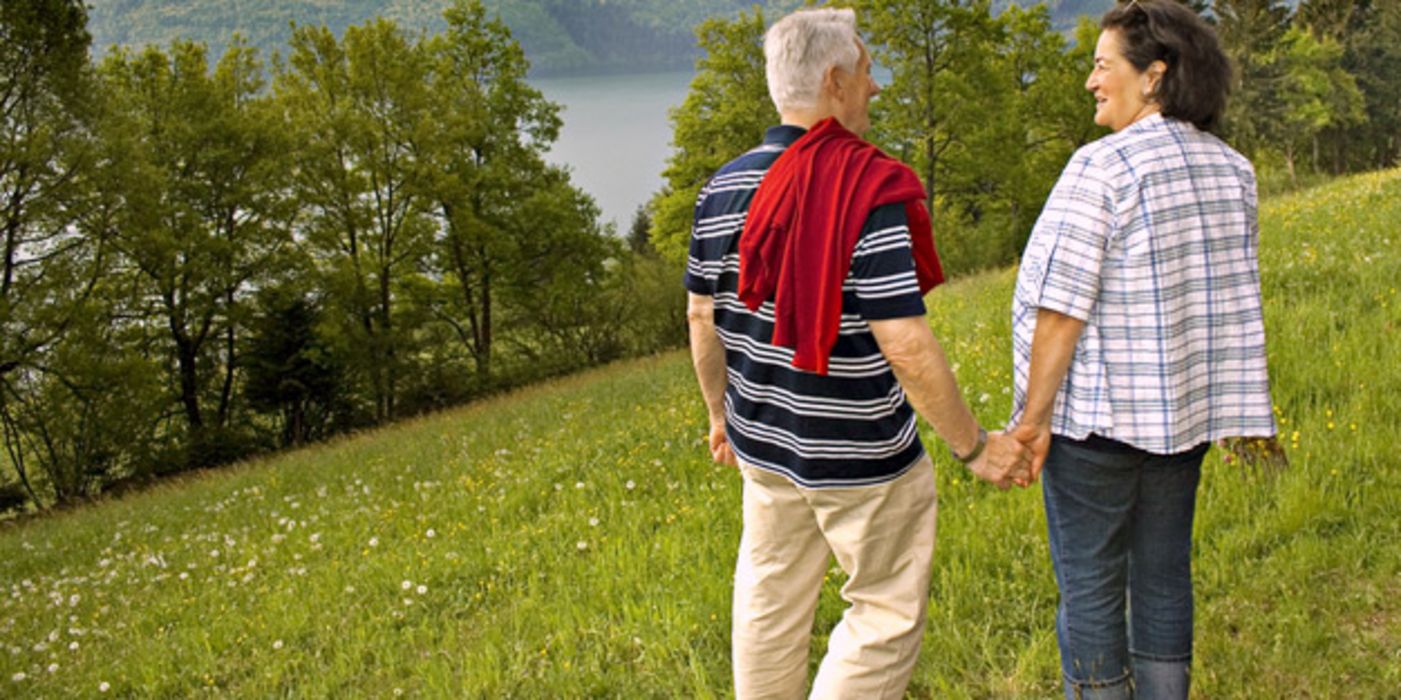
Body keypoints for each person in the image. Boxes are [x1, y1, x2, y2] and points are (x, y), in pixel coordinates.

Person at [684, 8, 1032, 699]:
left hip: (764, 446)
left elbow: (701, 317)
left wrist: (721, 416)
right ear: (835, 82)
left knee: (769, 599)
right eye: (867, 72)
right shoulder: (862, 189)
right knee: (882, 610)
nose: (876, 88)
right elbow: (901, 339)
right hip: (859, 457)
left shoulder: (719, 188)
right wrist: (974, 447)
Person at [1007, 2, 1277, 698]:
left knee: (1091, 587)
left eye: (1103, 66)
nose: (1091, 81)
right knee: (1162, 574)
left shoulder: (1102, 168)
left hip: (1093, 426)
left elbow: (1059, 308)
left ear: (1153, 76)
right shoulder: (1231, 170)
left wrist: (1030, 422)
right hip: (1181, 420)